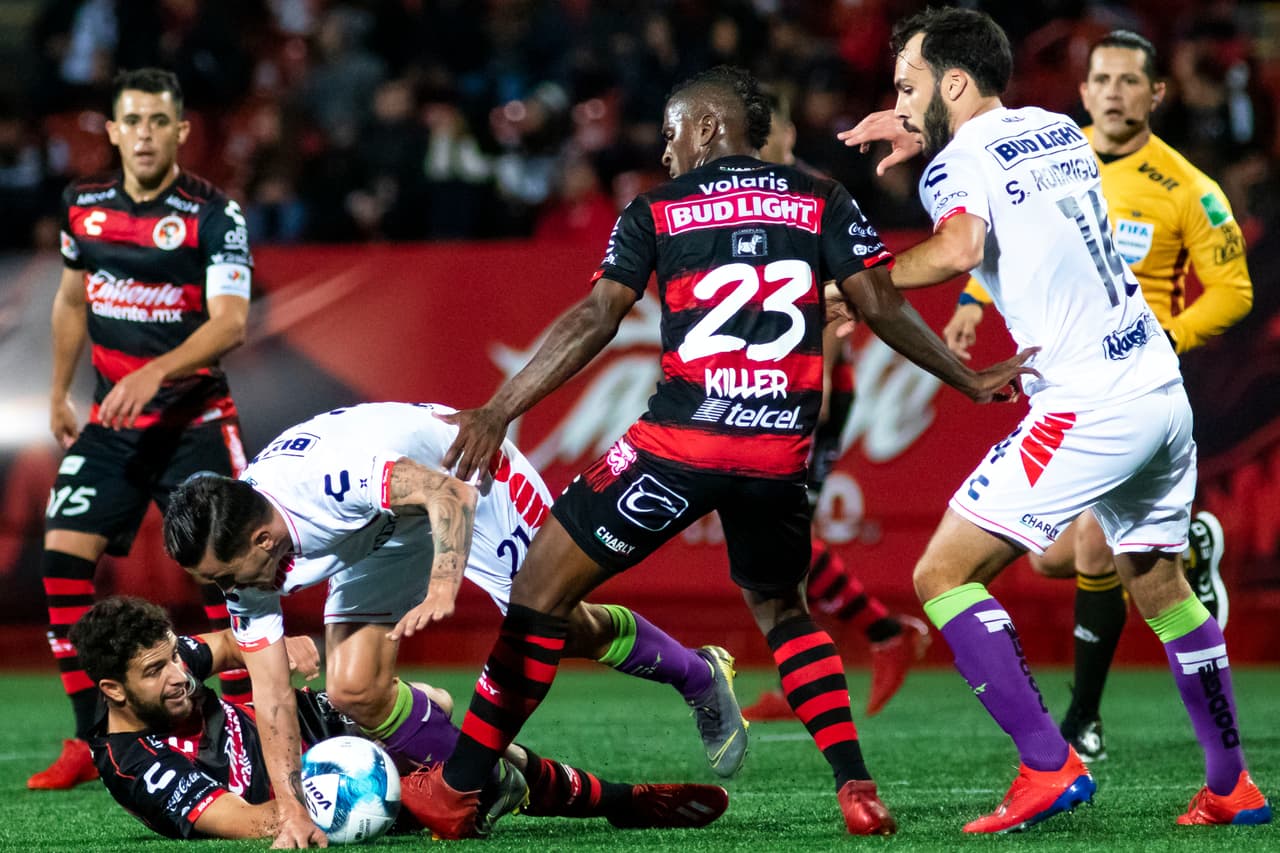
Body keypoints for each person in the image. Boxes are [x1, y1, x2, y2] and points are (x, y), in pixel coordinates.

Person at [407, 65, 1035, 840]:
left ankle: (459, 786)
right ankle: (857, 788)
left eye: (672, 134)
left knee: (538, 590)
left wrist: (502, 407)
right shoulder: (822, 200)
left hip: (677, 445)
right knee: (783, 607)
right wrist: (968, 379)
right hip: (778, 455)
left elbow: (595, 318)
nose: (667, 153)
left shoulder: (658, 209)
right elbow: (881, 304)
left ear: (707, 127)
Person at [838, 7, 1270, 832]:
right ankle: (1231, 784)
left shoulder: (953, 164)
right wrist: (918, 118)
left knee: (941, 574)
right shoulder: (1054, 128)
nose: (898, 101)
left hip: (1088, 402)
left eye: (908, 86)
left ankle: (1048, 763)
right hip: (1158, 391)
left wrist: (860, 285)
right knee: (1160, 584)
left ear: (952, 85)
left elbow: (960, 247)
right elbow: (994, 156)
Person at [162, 401, 745, 847]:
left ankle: (699, 673)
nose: (225, 589)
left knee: (559, 625)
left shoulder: (325, 483)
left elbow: (448, 496)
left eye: (223, 575)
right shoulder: (247, 562)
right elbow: (270, 694)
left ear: (261, 539)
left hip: (467, 476)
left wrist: (445, 583)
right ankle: (492, 781)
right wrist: (292, 810)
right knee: (353, 689)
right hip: (384, 529)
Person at [939, 30, 1254, 764]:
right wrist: (973, 300)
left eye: (1128, 80)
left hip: (1128, 385)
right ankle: (1194, 545)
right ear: (1082, 92)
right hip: (1066, 381)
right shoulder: (1057, 151)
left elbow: (1235, 290)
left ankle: (1080, 721)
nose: (1113, 92)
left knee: (1077, 547)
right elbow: (1014, 239)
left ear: (1156, 94)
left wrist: (1169, 332)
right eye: (1101, 79)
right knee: (1057, 558)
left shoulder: (1186, 188)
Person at [72, 596, 729, 841]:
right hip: (312, 781)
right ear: (114, 691)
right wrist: (351, 800)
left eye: (170, 656)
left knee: (433, 705)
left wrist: (274, 646)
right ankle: (617, 800)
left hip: (307, 719)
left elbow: (219, 645)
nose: (179, 675)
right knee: (462, 772)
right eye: (156, 672)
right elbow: (248, 821)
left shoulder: (174, 671)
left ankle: (583, 796)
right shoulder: (135, 765)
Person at [32, 67, 254, 791]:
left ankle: (253, 729)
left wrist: (156, 372)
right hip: (112, 422)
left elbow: (231, 324)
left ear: (182, 131)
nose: (147, 134)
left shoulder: (215, 214)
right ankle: (90, 736)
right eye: (135, 121)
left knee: (230, 577)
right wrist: (61, 390)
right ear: (116, 130)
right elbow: (71, 301)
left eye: (161, 121)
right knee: (62, 561)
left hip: (194, 421)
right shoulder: (84, 205)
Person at [744, 88, 930, 723]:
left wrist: (814, 379)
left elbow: (825, 294)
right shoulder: (748, 194)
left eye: (752, 129)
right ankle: (846, 655)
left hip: (809, 386)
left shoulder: (807, 195)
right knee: (777, 539)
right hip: (768, 385)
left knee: (781, 538)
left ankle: (879, 636)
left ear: (781, 131)